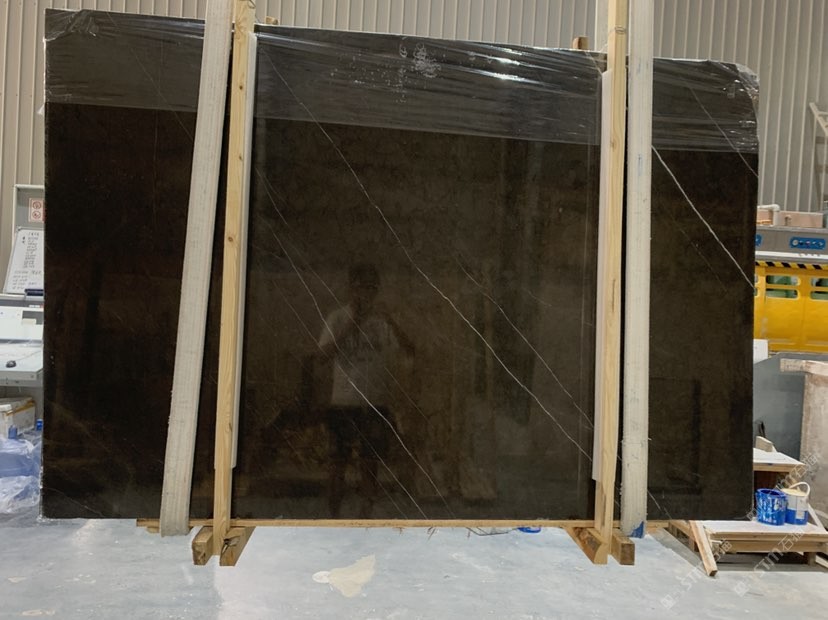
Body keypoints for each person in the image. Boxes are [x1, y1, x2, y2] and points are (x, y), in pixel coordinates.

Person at [316, 263, 414, 517]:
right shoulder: (337, 318)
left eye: (372, 288)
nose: (366, 294)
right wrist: (351, 325)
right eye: (361, 287)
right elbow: (322, 357)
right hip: (343, 402)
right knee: (337, 464)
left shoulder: (382, 322)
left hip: (374, 403)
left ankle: (366, 520)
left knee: (370, 465)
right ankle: (332, 519)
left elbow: (409, 351)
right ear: (351, 289)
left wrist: (391, 320)